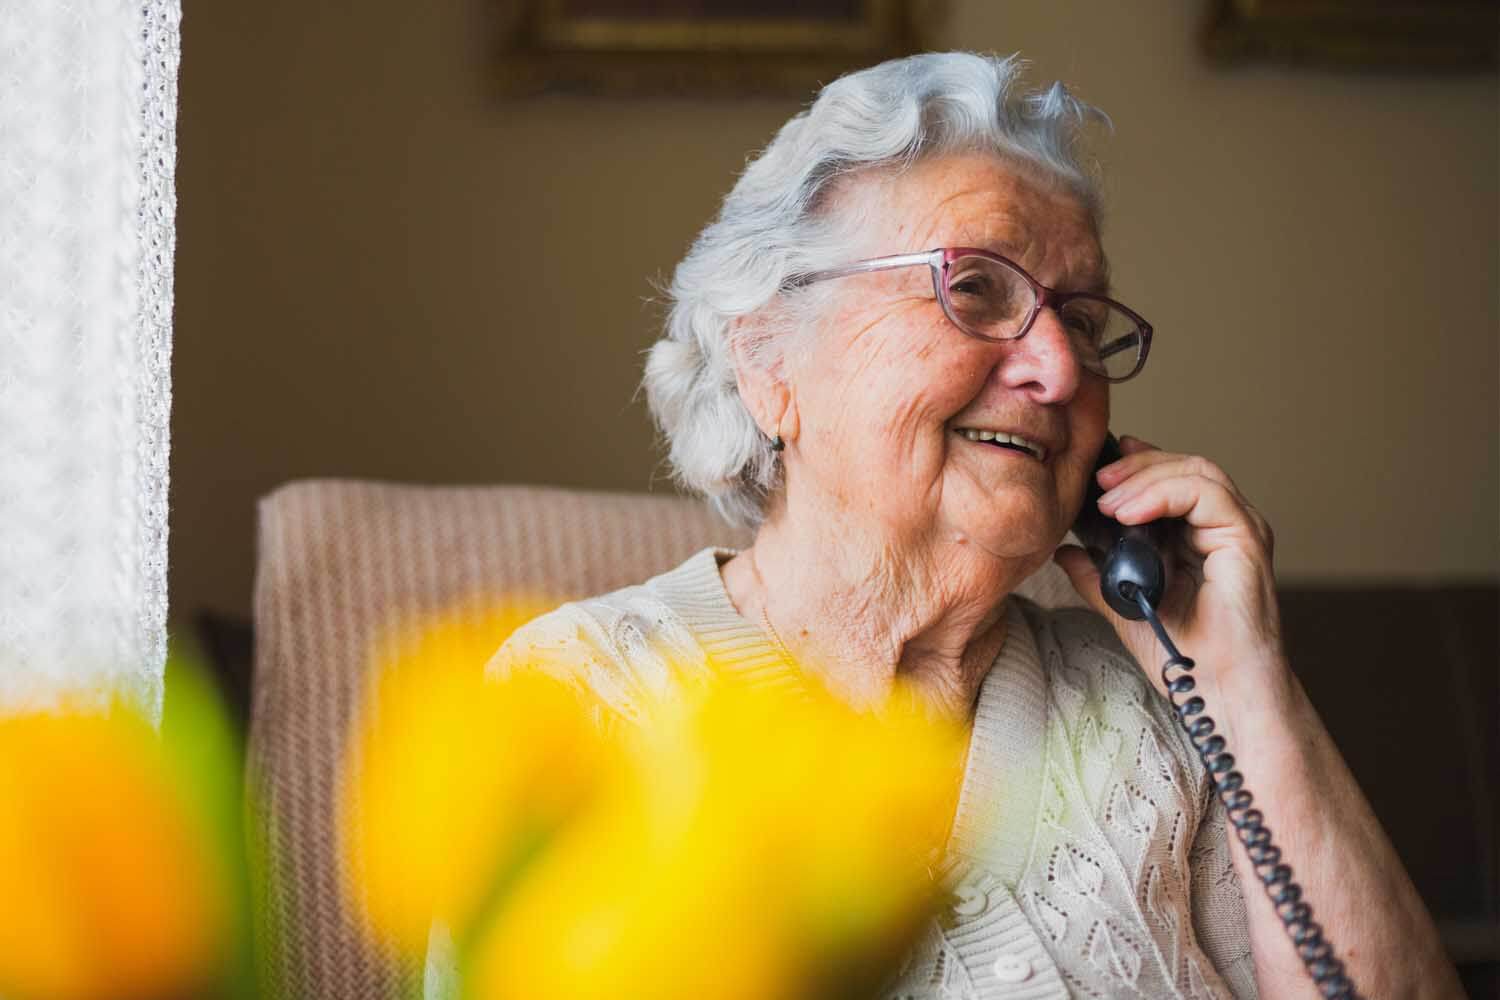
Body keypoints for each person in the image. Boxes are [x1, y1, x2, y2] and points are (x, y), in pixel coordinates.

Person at [428, 52, 1460, 998]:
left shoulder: (1155, 709)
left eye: (1086, 323)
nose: (1058, 369)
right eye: (974, 287)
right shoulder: (583, 701)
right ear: (769, 360)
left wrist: (1243, 682)